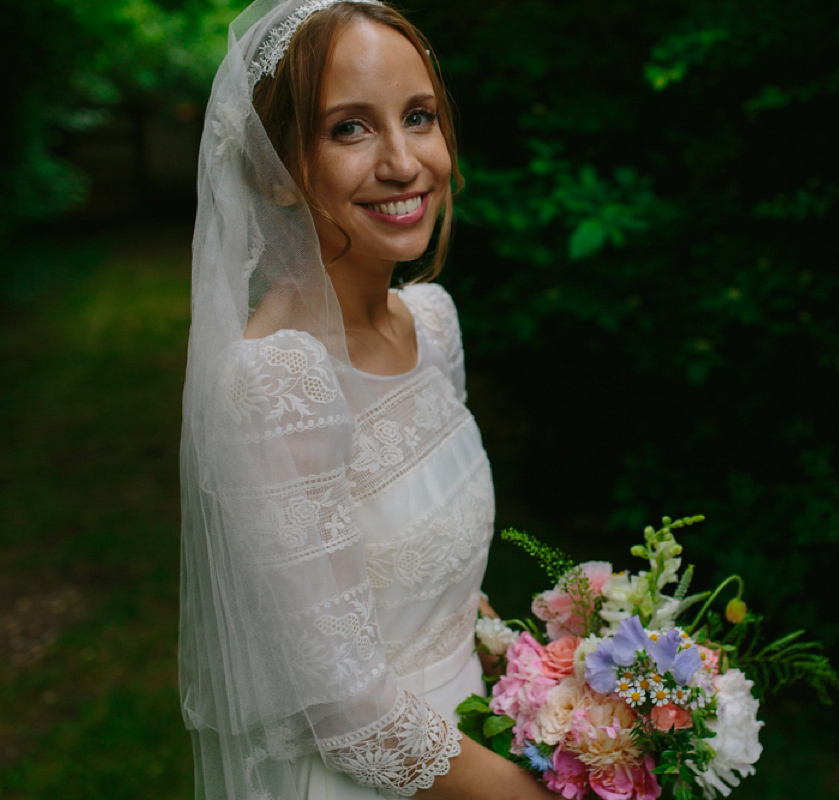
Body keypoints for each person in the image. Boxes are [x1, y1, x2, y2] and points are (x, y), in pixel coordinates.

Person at [177, 2, 559, 798]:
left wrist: (559, 693)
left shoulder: (433, 321)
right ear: (277, 172)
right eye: (350, 128)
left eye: (418, 117)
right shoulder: (276, 384)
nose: (402, 161)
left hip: (481, 738)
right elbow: (349, 711)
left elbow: (438, 586)